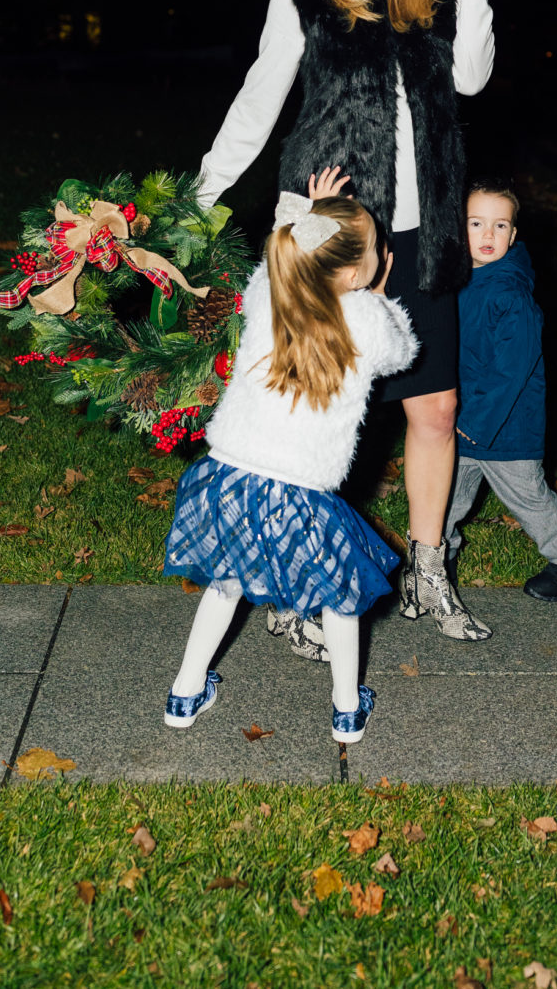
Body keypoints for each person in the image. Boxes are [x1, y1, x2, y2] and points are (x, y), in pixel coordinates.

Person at [197, 0, 496, 651]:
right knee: (320, 419)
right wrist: (203, 191)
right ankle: (296, 585)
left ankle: (427, 572)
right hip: (330, 227)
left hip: (425, 222)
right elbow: (262, 91)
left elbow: (473, 79)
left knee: (432, 410)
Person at [162, 184, 417, 742]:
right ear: (354, 273)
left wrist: (305, 213)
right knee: (339, 597)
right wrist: (380, 291)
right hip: (301, 493)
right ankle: (347, 710)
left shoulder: (267, 291)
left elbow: (276, 259)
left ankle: (184, 694)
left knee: (223, 585)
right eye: (372, 247)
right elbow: (404, 352)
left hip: (230, 476)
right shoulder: (369, 320)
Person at [443, 178, 557, 603]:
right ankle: (439, 556)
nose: (488, 235)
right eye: (476, 223)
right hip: (461, 417)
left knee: (528, 496)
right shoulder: (464, 278)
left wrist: (475, 423)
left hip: (504, 427)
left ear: (514, 234)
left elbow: (512, 371)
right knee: (446, 492)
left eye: (500, 226)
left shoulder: (510, 294)